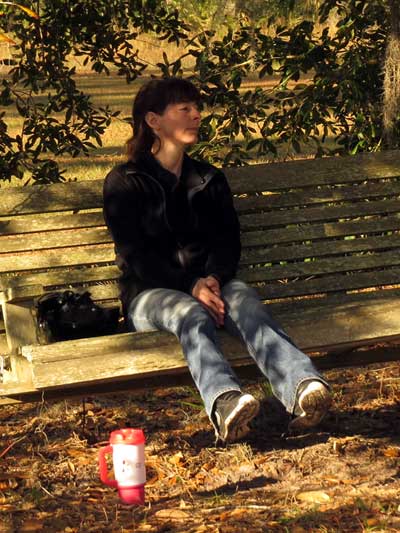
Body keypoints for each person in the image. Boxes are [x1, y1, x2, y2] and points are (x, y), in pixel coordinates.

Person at [103, 77, 331, 444]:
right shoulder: (125, 182)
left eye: (197, 109)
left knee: (245, 301)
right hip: (149, 295)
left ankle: (302, 386)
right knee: (189, 313)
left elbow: (228, 242)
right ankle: (225, 403)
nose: (196, 116)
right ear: (153, 120)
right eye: (184, 109)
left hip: (211, 285)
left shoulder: (209, 179)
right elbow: (136, 256)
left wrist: (213, 278)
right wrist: (190, 285)